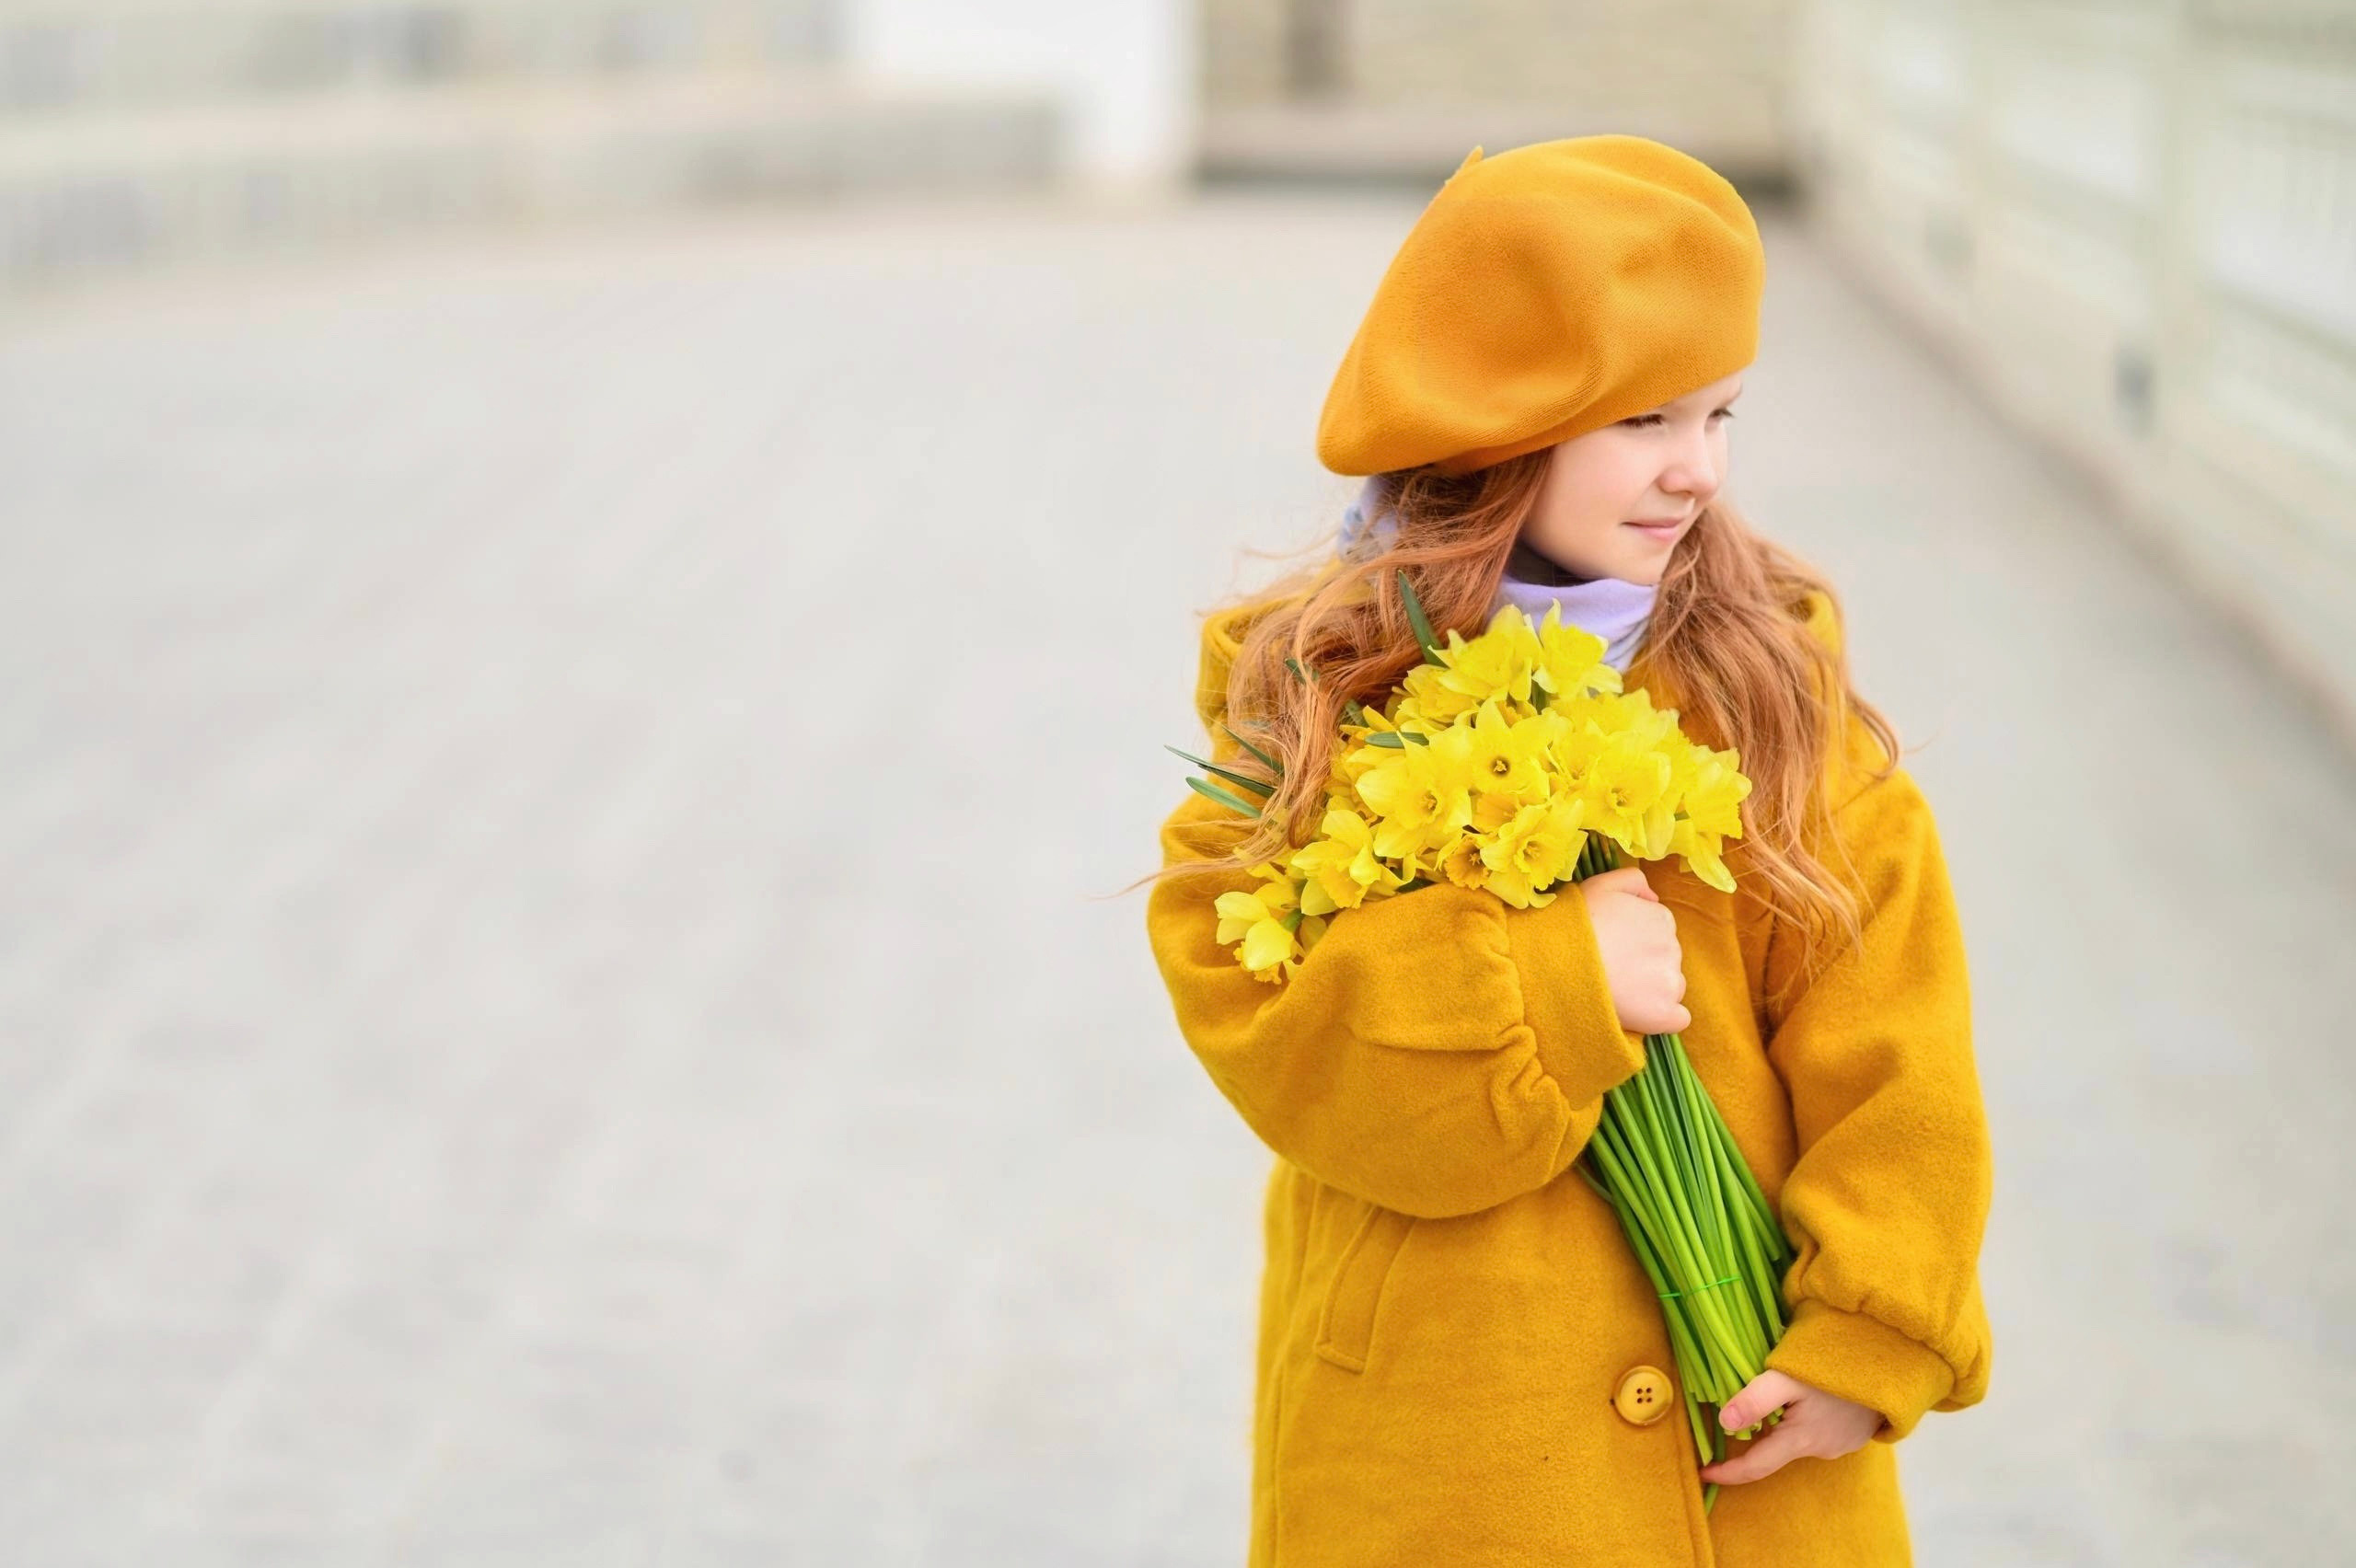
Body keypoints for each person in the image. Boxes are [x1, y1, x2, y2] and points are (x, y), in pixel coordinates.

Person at [1137, 136, 1994, 1567]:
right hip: (1444, 1456)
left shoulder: (1773, 696)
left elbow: (1899, 1043)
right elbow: (1264, 1026)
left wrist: (1870, 1332)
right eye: (1648, 422)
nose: (1699, 473)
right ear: (1496, 424)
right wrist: (1543, 980)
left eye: (1723, 416)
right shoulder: (1325, 695)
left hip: (1753, 1439)